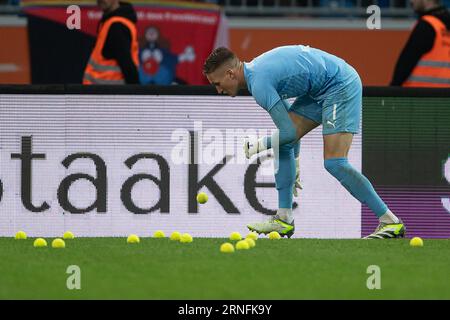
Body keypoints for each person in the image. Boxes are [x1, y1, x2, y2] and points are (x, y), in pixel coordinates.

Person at [203, 45, 405, 239]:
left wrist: (258, 145)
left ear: (230, 74)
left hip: (340, 85)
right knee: (283, 144)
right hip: (320, 90)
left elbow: (288, 131)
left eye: (217, 84)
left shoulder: (259, 84)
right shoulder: (257, 75)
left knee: (335, 163)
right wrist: (295, 158)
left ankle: (389, 221)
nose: (218, 90)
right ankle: (283, 219)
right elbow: (289, 134)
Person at [391, 0, 450, 87]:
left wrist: (392, 91)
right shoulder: (444, 25)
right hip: (444, 98)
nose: (411, 1)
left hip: (419, 97)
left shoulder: (426, 26)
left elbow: (404, 67)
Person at [83, 0, 139, 84]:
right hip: (105, 92)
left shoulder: (117, 26)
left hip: (111, 92)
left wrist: (136, 93)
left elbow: (128, 67)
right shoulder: (109, 22)